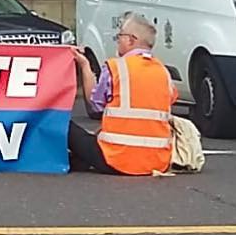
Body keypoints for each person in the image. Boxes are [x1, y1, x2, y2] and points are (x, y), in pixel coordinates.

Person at [67, 13, 176, 175]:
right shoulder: (164, 72)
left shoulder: (116, 68)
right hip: (157, 161)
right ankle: (78, 161)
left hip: (116, 159)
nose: (117, 40)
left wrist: (85, 66)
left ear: (131, 40)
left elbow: (94, 102)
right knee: (93, 141)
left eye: (120, 35)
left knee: (63, 123)